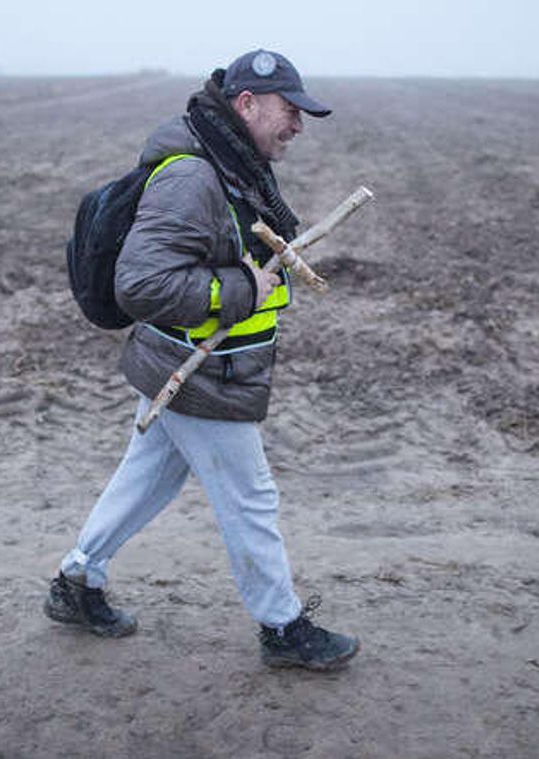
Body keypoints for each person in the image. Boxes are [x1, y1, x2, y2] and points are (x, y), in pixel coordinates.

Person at [45, 49, 359, 671]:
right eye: (289, 110)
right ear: (246, 104)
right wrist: (243, 291)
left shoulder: (232, 166)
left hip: (191, 364)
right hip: (200, 372)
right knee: (251, 499)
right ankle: (283, 627)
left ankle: (76, 582)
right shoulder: (195, 176)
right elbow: (142, 283)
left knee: (146, 480)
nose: (298, 124)